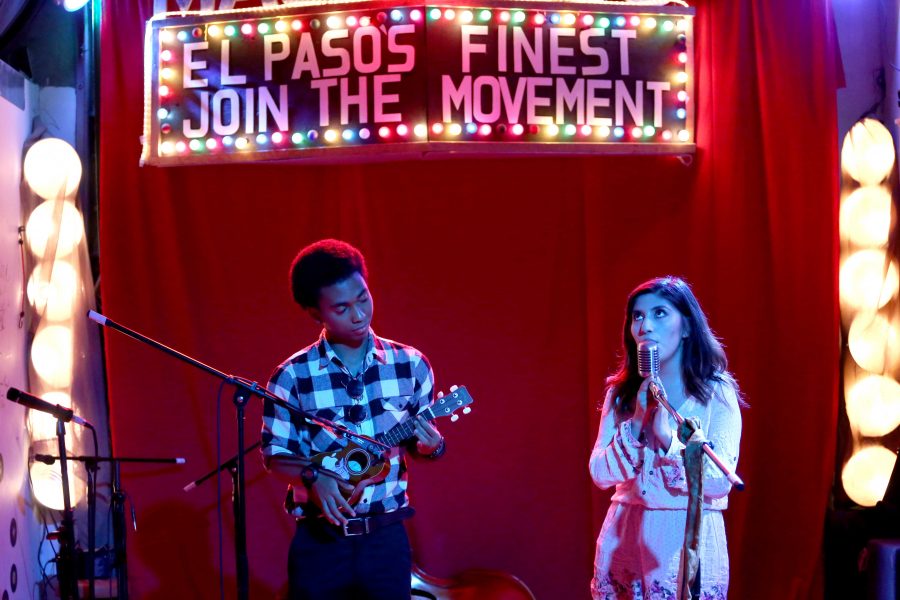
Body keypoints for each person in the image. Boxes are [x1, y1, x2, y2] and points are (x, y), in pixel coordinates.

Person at [261, 239, 445, 600]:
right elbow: (274, 457)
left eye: (363, 298)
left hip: (386, 538)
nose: (359, 315)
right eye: (342, 308)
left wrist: (433, 446)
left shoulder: (410, 365)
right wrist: (313, 478)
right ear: (316, 313)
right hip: (320, 541)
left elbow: (422, 448)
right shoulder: (291, 376)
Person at [589, 276, 743, 599]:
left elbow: (718, 482)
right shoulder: (621, 394)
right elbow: (600, 473)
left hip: (685, 539)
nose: (645, 325)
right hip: (625, 537)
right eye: (638, 316)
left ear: (686, 327)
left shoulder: (717, 393)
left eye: (660, 313)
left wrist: (669, 442)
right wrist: (634, 427)